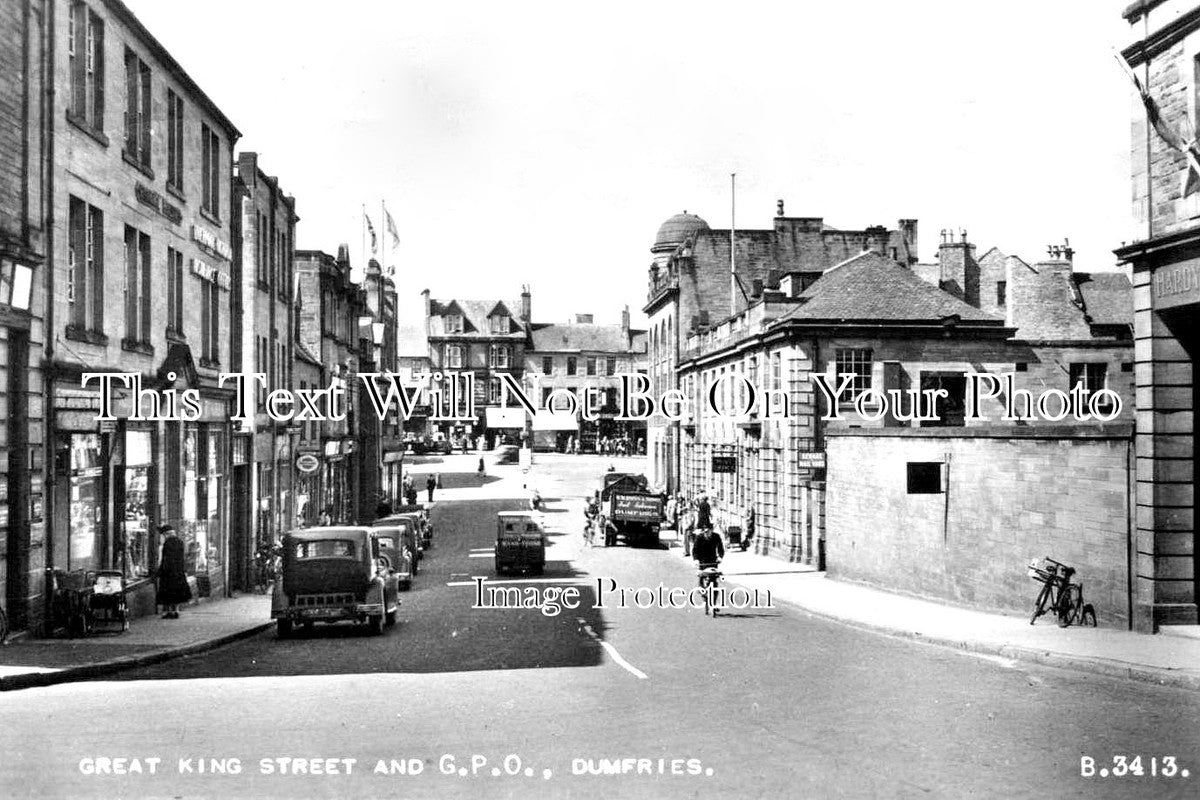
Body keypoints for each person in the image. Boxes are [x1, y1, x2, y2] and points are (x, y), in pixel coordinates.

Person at [156, 525, 191, 619]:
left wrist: (160, 570)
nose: (163, 537)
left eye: (163, 535)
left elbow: (165, 559)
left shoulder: (167, 544)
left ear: (166, 534)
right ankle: (176, 610)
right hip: (178, 571)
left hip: (168, 572)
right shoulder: (180, 542)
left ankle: (168, 611)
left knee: (167, 592)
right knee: (177, 592)